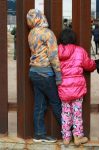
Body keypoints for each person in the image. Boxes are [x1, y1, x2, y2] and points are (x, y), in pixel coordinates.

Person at [26, 9, 62, 143]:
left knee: (39, 104)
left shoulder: (31, 33)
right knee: (56, 103)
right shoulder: (48, 33)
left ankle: (39, 134)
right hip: (46, 73)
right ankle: (69, 132)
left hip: (34, 72)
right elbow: (53, 56)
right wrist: (58, 75)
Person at [58, 29, 96, 146]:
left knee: (65, 113)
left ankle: (66, 137)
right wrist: (95, 64)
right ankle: (78, 137)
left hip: (63, 88)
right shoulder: (79, 51)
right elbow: (89, 65)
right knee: (77, 113)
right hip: (77, 89)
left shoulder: (56, 51)